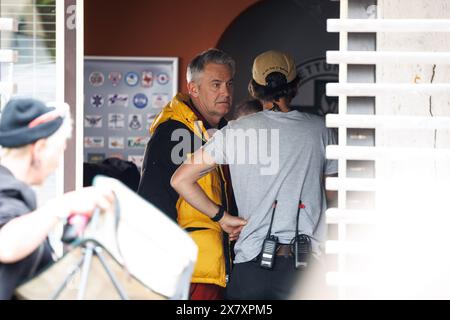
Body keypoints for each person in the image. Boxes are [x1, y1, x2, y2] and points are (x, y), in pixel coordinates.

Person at [171, 50, 338, 300]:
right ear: (296, 85)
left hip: (250, 266)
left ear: (253, 88)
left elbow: (180, 180)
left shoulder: (235, 132)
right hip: (304, 271)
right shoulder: (321, 130)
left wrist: (222, 217)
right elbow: (332, 192)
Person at [137, 49, 246, 300]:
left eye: (229, 83)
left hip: (214, 266)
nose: (226, 92)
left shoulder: (221, 131)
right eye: (216, 84)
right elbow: (153, 205)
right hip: (187, 272)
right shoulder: (174, 132)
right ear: (193, 89)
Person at [0, 98, 114, 300]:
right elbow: (5, 245)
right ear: (40, 148)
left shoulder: (16, 194)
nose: (58, 162)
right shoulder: (6, 189)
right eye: (60, 149)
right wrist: (65, 204)